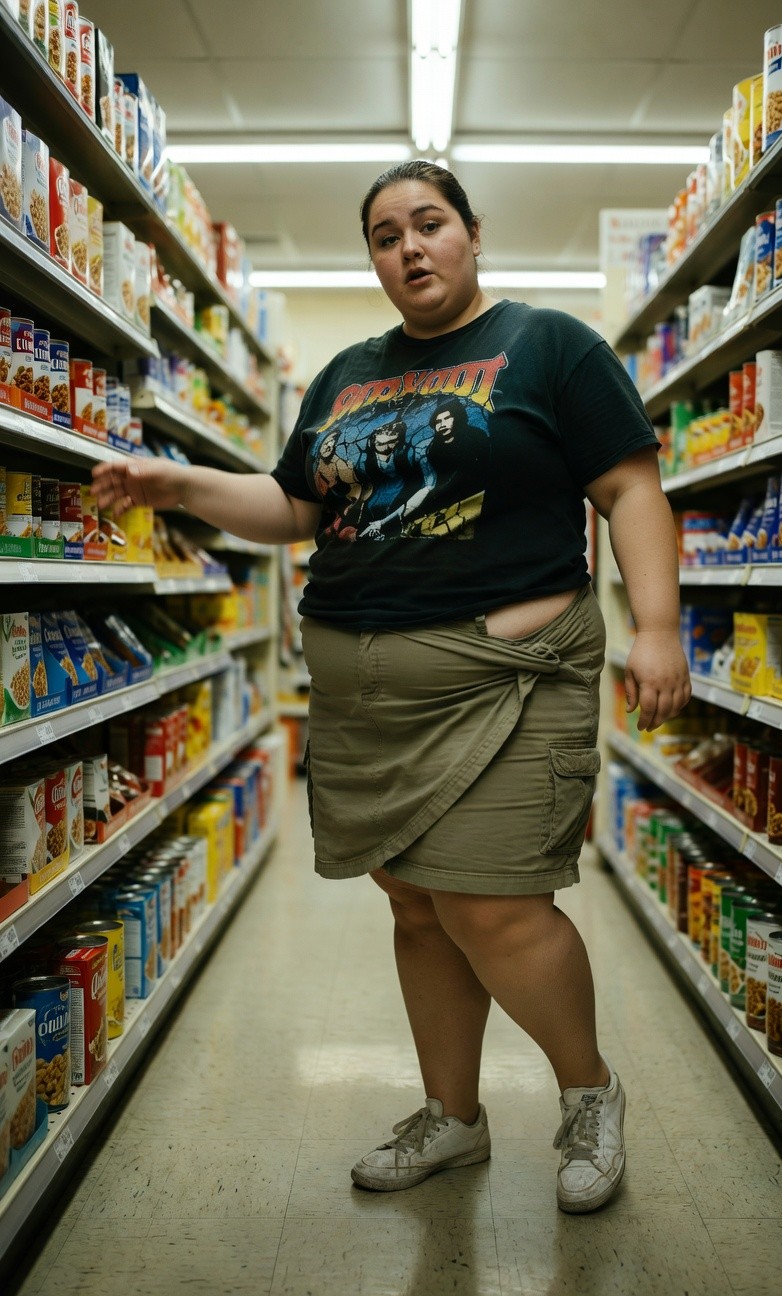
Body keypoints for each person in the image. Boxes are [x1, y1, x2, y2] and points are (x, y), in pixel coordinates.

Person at [92, 159, 690, 1214]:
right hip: (365, 700)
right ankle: (453, 1117)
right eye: (384, 235)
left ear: (471, 232)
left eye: (429, 223)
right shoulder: (344, 376)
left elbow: (630, 487)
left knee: (492, 905)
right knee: (416, 905)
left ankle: (589, 1093)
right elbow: (293, 508)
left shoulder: (552, 346)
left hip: (508, 683)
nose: (409, 247)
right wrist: (178, 483)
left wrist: (657, 627)